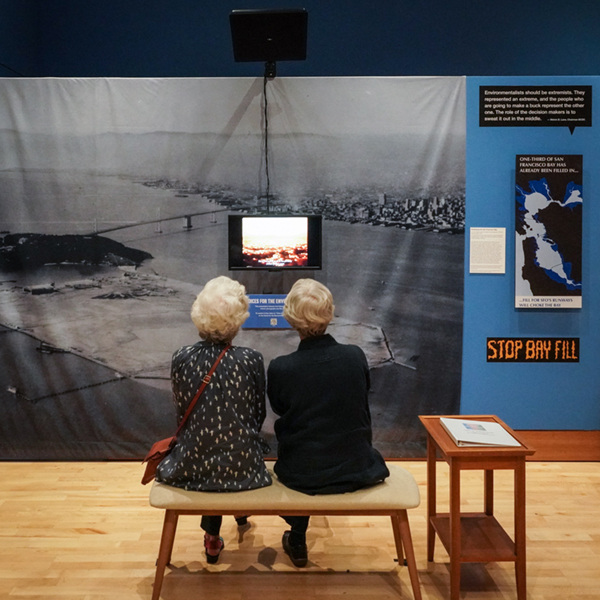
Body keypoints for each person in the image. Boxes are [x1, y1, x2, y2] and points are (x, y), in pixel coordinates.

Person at [267, 279, 389, 567]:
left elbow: (279, 408)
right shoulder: (355, 356)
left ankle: (297, 537)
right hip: (357, 465)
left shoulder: (281, 367)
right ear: (329, 313)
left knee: (307, 447)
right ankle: (297, 536)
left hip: (302, 471)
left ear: (290, 318)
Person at [156, 276, 272, 563]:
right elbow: (257, 415)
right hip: (243, 466)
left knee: (206, 445)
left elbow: (182, 412)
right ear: (239, 318)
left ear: (199, 315)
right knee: (228, 447)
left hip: (191, 464)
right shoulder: (251, 359)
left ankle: (211, 539)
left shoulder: (181, 357)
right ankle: (240, 511)